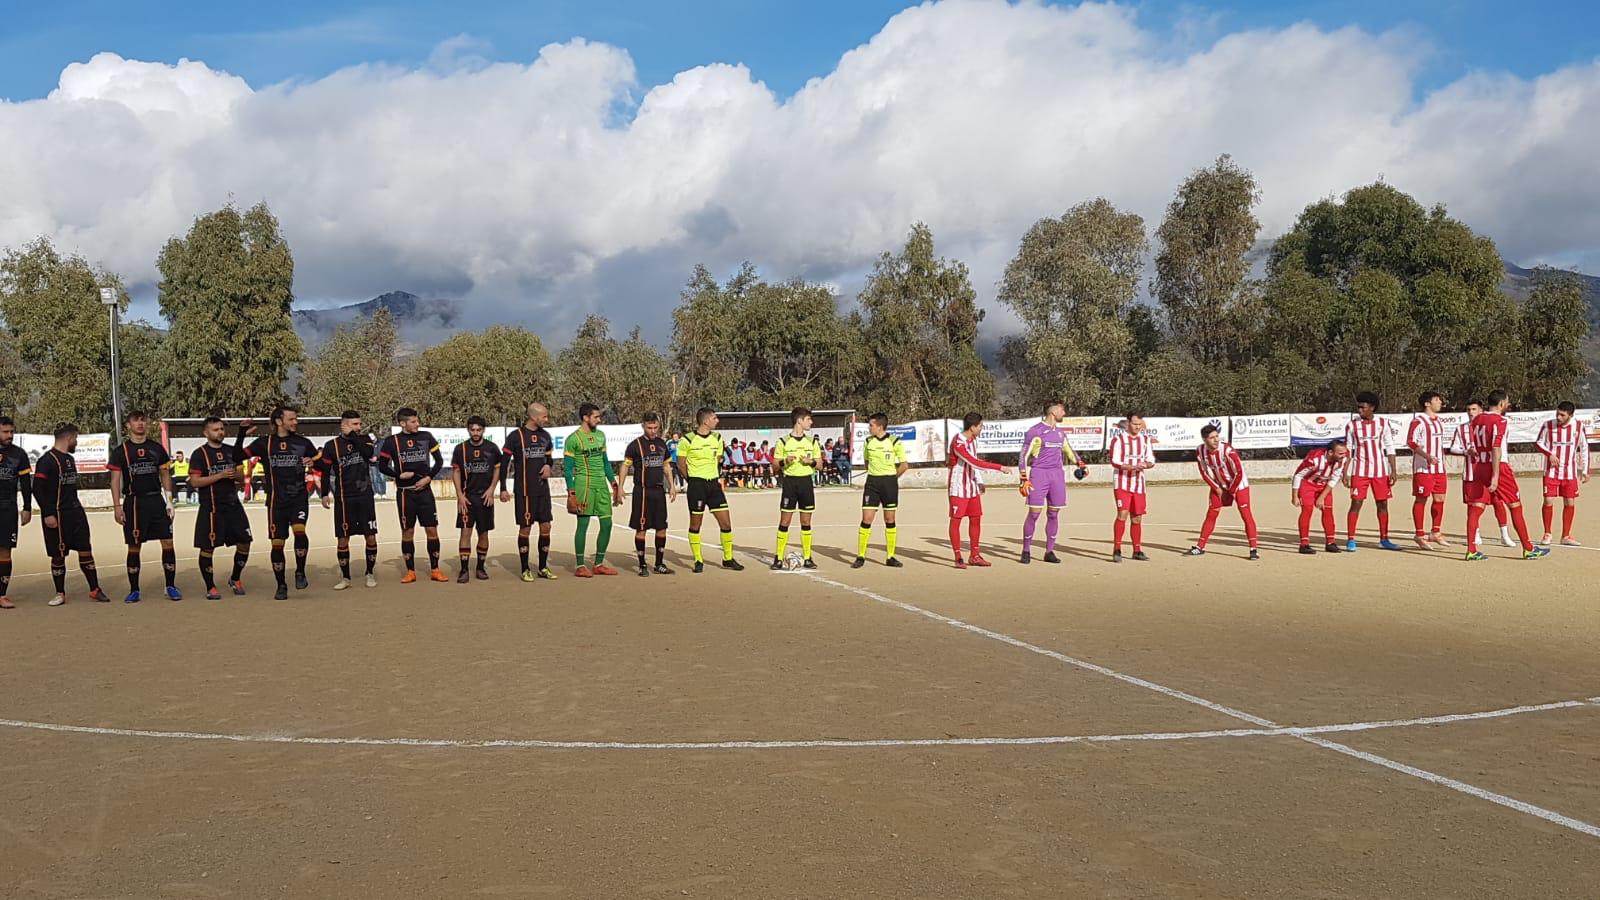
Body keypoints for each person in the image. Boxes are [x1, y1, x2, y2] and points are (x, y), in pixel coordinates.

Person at [239, 405, 322, 601]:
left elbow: (322, 461)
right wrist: (241, 434)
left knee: (300, 531)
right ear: (279, 421)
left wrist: (314, 462)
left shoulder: (303, 442)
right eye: (291, 419)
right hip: (276, 501)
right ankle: (281, 585)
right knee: (277, 544)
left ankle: (300, 572)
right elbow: (236, 456)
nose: (295, 422)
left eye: (296, 418)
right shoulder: (264, 443)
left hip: (298, 497)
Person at [1464, 390, 1547, 561]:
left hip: (1479, 466)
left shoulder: (1477, 420)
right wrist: (1495, 476)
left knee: (1476, 507)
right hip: (1498, 467)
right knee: (1515, 505)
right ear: (1501, 403)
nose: (1508, 405)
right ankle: (1528, 548)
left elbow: (1475, 444)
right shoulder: (1501, 421)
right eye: (1507, 402)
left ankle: (1471, 550)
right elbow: (1496, 448)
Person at [107, 411, 180, 602]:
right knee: (134, 545)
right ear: (128, 425)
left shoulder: (156, 448)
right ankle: (134, 590)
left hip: (156, 500)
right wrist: (117, 506)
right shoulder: (120, 451)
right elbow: (115, 480)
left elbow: (165, 475)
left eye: (143, 420)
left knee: (168, 541)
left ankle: (170, 586)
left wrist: (169, 501)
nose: (140, 423)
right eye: (135, 420)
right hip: (134, 502)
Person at [34, 423, 107, 605]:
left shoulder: (70, 459)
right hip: (57, 514)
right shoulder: (46, 460)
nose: (76, 442)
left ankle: (95, 589)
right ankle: (60, 593)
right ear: (69, 438)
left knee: (85, 550)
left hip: (76, 512)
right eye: (75, 438)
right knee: (58, 554)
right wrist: (48, 513)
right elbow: (38, 489)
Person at [377, 408, 447, 584]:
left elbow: (439, 461)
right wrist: (398, 475)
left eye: (417, 421)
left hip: (425, 492)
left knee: (432, 530)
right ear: (403, 423)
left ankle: (435, 569)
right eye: (413, 421)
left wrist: (429, 477)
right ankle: (410, 571)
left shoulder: (426, 437)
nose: (417, 424)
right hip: (405, 494)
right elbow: (382, 466)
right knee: (408, 531)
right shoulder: (391, 441)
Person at [189, 417, 252, 598]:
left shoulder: (232, 451)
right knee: (207, 547)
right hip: (211, 508)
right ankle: (210, 587)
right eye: (215, 430)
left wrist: (235, 476)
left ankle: (235, 578)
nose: (220, 432)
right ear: (206, 433)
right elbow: (195, 482)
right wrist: (220, 475)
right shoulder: (199, 454)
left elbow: (241, 478)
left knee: (245, 542)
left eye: (222, 429)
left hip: (232, 505)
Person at [677, 407, 744, 573]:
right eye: (714, 418)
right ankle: (698, 560)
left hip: (714, 485)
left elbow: (719, 458)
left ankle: (728, 558)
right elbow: (681, 464)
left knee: (726, 523)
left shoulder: (718, 438)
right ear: (705, 421)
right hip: (697, 485)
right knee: (696, 524)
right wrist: (692, 480)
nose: (717, 421)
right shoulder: (687, 440)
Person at [1018, 401, 1085, 564]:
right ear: (1053, 412)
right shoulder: (1035, 431)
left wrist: (1081, 464)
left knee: (1053, 514)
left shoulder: (1060, 433)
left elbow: (1069, 451)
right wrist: (1023, 479)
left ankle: (1049, 551)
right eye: (1062, 410)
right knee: (1034, 514)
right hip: (1039, 475)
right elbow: (1023, 457)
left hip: (1057, 476)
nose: (1064, 413)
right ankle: (1026, 550)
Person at [319, 411, 380, 590]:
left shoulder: (365, 440)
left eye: (359, 424)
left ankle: (369, 573)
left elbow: (368, 453)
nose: (359, 427)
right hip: (344, 498)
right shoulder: (331, 446)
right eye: (354, 424)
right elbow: (325, 471)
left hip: (365, 496)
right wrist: (324, 493)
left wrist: (353, 435)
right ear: (344, 425)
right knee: (343, 539)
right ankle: (345, 578)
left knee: (370, 536)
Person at [500, 402, 558, 581]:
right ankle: (525, 569)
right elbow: (504, 463)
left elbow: (549, 459)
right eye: (544, 416)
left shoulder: (545, 435)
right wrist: (503, 488)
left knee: (546, 526)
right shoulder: (516, 436)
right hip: (524, 491)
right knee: (525, 528)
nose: (546, 419)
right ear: (533, 417)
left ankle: (543, 567)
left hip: (543, 490)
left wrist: (548, 466)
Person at [564, 402, 621, 577]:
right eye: (596, 417)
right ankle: (580, 565)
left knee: (607, 524)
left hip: (601, 485)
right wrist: (571, 492)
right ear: (585, 418)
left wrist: (614, 484)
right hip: (584, 486)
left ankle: (598, 564)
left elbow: (605, 462)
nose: (599, 419)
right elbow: (568, 469)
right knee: (583, 525)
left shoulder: (601, 436)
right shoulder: (573, 439)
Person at [947, 412, 1009, 568]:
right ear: (972, 427)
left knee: (976, 519)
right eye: (980, 426)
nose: (982, 428)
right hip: (958, 487)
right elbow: (974, 462)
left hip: (972, 485)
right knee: (956, 521)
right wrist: (999, 467)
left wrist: (979, 481)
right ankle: (958, 557)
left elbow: (973, 464)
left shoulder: (974, 440)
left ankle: (974, 555)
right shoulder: (958, 442)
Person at [619, 412, 677, 576]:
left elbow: (666, 466)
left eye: (655, 427)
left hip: (659, 491)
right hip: (642, 491)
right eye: (649, 427)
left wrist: (672, 486)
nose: (653, 431)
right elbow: (625, 466)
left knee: (662, 527)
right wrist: (620, 487)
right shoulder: (635, 445)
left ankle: (659, 563)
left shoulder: (661, 444)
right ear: (643, 426)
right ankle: (642, 564)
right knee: (641, 528)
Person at [1448, 400, 1512, 547]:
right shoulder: (1462, 429)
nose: (1471, 412)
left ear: (1481, 410)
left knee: (1498, 502)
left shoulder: (1490, 424)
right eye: (1468, 409)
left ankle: (1504, 534)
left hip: (1489, 470)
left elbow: (1499, 447)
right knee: (1472, 505)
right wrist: (1466, 451)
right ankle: (1475, 534)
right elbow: (1453, 448)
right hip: (1471, 474)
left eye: (1474, 409)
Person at [1191, 423, 1259, 560]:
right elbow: (1204, 472)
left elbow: (1239, 472)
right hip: (1219, 485)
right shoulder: (1200, 450)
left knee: (1246, 515)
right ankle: (1200, 546)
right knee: (1211, 514)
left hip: (1238, 485)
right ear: (1204, 439)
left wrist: (1231, 490)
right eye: (1212, 438)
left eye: (1217, 436)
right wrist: (1216, 487)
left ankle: (1253, 549)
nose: (1216, 440)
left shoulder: (1228, 450)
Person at [1343, 392, 1400, 551]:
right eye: (1358, 407)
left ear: (1372, 407)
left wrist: (1393, 470)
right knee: (1356, 503)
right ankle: (1351, 539)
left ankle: (1384, 539)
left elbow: (1390, 447)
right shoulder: (1352, 425)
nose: (1359, 410)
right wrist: (1345, 472)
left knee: (1382, 504)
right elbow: (1348, 450)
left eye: (1363, 407)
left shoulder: (1383, 423)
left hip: (1380, 471)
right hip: (1360, 471)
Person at [771, 408, 824, 570]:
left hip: (806, 483)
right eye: (809, 419)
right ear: (799, 421)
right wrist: (784, 461)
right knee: (785, 521)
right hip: (790, 483)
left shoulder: (812, 442)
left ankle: (807, 557)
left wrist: (811, 462)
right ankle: (778, 557)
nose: (811, 422)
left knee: (806, 522)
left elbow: (820, 465)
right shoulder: (783, 441)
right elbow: (774, 466)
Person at [854, 413, 908, 568]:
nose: (869, 428)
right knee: (866, 519)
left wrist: (891, 477)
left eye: (871, 425)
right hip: (872, 482)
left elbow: (904, 465)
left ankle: (890, 556)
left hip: (889, 483)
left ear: (880, 426)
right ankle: (861, 556)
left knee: (890, 519)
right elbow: (866, 462)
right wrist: (875, 473)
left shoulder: (894, 441)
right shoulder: (868, 441)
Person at [451, 415, 500, 582]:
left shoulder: (492, 448)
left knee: (483, 533)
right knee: (465, 532)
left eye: (479, 430)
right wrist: (460, 495)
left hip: (485, 498)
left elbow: (497, 469)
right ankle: (464, 569)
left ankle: (480, 567)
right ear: (468, 430)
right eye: (472, 430)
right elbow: (456, 472)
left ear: (483, 430)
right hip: (468, 498)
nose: (476, 433)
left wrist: (492, 489)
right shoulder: (460, 449)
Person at [1535, 401, 1589, 546]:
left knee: (1569, 502)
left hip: (1569, 473)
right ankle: (1547, 533)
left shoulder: (1578, 426)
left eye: (1562, 415)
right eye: (1557, 414)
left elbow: (1584, 448)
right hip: (1551, 471)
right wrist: (1549, 454)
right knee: (1548, 501)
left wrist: (1585, 470)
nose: (1558, 417)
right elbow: (1538, 442)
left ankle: (1566, 536)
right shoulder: (1548, 425)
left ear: (1570, 415)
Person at [1108, 414, 1156, 562]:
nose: (1137, 427)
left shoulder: (1145, 440)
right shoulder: (1118, 439)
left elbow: (1151, 460)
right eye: (1135, 424)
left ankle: (1137, 550)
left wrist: (1146, 464)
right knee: (1122, 514)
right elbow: (1114, 460)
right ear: (1128, 423)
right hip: (1122, 482)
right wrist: (1129, 467)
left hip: (1139, 484)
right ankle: (1117, 549)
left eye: (1140, 424)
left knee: (1137, 518)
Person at [1407, 391, 1450, 549]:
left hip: (1439, 468)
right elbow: (1411, 442)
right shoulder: (1418, 421)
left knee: (1440, 498)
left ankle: (1435, 532)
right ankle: (1419, 534)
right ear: (1427, 403)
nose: (1440, 402)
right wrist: (1426, 456)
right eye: (1437, 400)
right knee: (1421, 499)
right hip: (1423, 468)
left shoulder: (1439, 422)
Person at [1292, 439, 1350, 553]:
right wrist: (1294, 496)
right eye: (1340, 453)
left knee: (1328, 511)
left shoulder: (1342, 460)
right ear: (1330, 453)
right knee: (1307, 510)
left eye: (1344, 453)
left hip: (1324, 485)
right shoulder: (1314, 460)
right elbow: (1298, 476)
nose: (1344, 456)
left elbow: (1334, 479)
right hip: (1308, 484)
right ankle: (1304, 544)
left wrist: (1321, 497)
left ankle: (1330, 543)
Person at [0, 416, 34, 609]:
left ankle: (2, 594)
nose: (10, 435)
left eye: (12, 431)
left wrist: (27, 507)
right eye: (5, 432)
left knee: (5, 550)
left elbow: (26, 484)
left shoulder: (19, 454)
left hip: (8, 509)